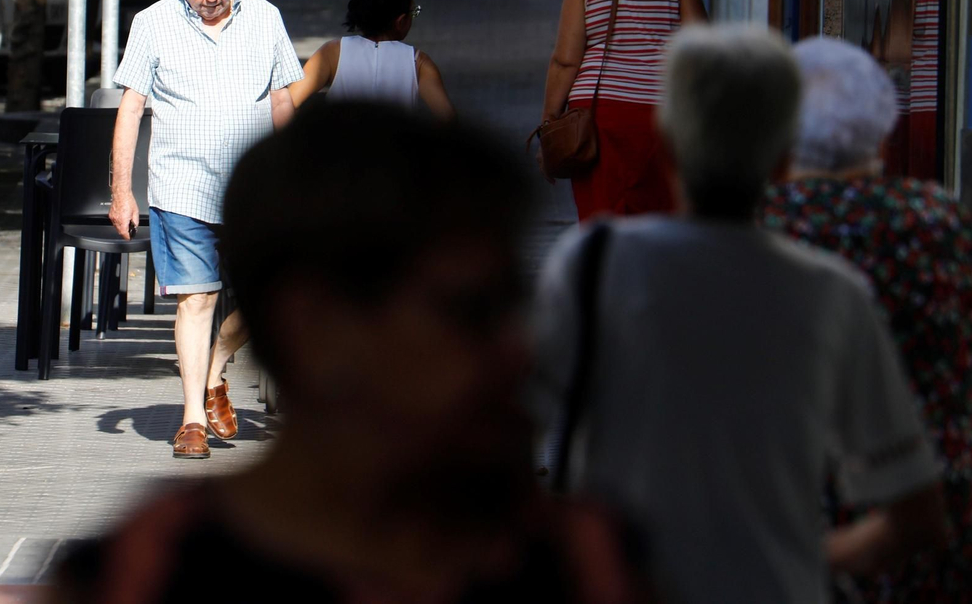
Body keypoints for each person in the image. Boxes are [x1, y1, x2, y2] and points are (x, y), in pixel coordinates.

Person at [60, 105, 657, 603]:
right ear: (318, 330)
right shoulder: (150, 572)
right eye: (469, 311)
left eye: (514, 305)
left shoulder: (584, 562)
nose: (518, 351)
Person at [536, 25, 949, 604]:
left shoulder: (593, 264)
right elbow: (918, 515)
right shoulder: (832, 295)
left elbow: (500, 440)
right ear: (785, 157)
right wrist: (805, 557)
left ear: (669, 140)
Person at [761, 37, 972, 603]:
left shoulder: (759, 230)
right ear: (881, 126)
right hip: (933, 517)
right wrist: (963, 437)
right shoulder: (941, 220)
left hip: (799, 524)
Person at [108, 0, 304, 459]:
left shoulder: (264, 18)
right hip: (183, 187)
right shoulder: (151, 25)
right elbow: (131, 109)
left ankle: (215, 366)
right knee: (198, 298)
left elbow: (283, 100)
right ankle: (193, 419)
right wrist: (121, 190)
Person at [540, 0, 705, 220]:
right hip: (661, 114)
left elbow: (566, 61)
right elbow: (702, 50)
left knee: (601, 220)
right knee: (659, 219)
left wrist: (550, 121)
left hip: (599, 115)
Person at [288, 0, 454, 116]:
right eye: (413, 12)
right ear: (401, 21)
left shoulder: (333, 53)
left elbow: (290, 102)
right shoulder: (419, 62)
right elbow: (447, 120)